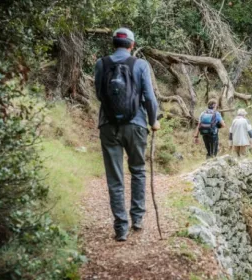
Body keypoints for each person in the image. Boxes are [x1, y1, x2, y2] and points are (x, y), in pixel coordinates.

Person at [94, 27, 160, 242]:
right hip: (136, 125)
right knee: (138, 170)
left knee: (115, 178)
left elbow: (98, 94)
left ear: (114, 43)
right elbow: (149, 97)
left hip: (108, 125)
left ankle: (121, 227)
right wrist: (153, 121)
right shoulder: (140, 64)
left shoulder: (101, 64)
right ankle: (138, 217)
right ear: (132, 44)